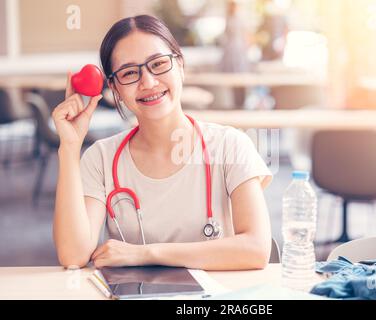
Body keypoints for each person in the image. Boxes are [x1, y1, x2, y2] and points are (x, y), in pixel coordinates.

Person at [52, 15, 273, 271]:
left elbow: (256, 249)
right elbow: (72, 255)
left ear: (180, 66)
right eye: (129, 73)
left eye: (158, 64)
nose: (148, 82)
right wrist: (69, 147)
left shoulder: (231, 145)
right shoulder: (100, 158)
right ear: (114, 88)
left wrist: (144, 254)